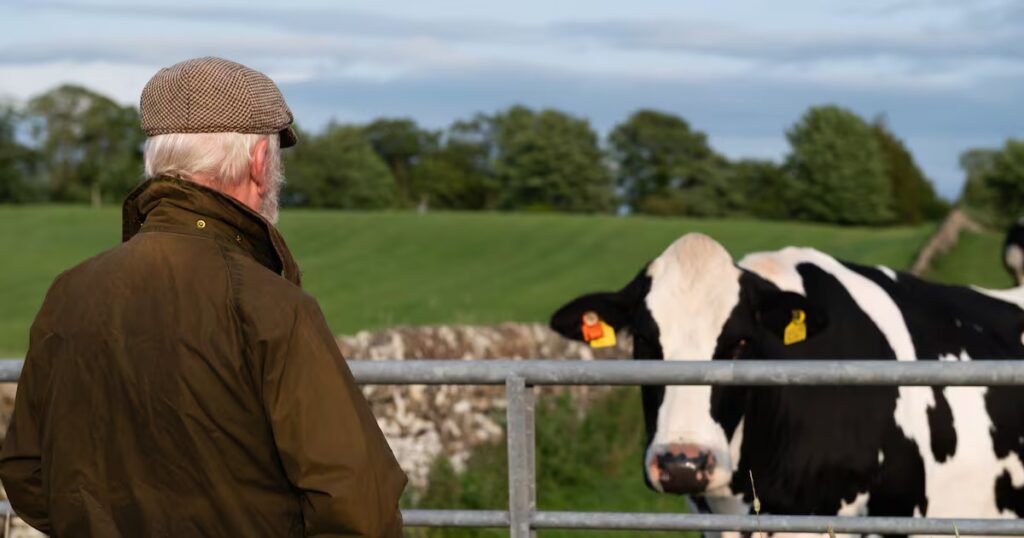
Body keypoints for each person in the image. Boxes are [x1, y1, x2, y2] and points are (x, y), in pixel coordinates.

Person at [0, 57, 407, 537]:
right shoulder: (271, 306)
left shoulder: (70, 293)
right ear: (258, 163)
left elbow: (28, 470)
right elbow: (358, 506)